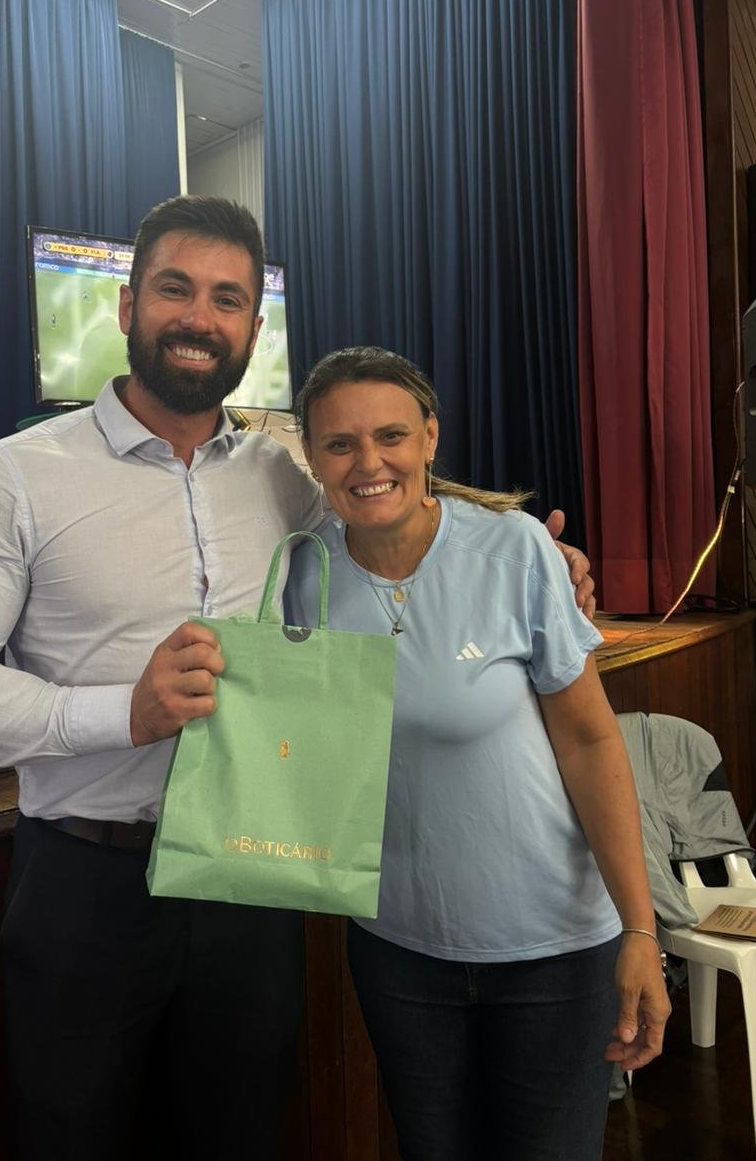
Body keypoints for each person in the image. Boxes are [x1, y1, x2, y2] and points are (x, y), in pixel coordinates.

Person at [0, 196, 595, 1159]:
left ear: (252, 332)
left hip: (254, 879)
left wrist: (531, 549)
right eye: (175, 289)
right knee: (68, 1138)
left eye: (227, 300)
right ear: (126, 305)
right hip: (87, 882)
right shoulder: (11, 477)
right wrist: (122, 712)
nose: (199, 318)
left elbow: (391, 513)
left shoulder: (279, 478)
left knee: (242, 1135)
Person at [285, 346, 670, 1161]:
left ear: (430, 437)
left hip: (553, 953)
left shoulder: (516, 551)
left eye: (391, 436)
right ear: (310, 456)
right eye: (341, 444)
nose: (368, 462)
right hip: (397, 952)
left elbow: (591, 741)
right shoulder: (302, 573)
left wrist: (641, 929)